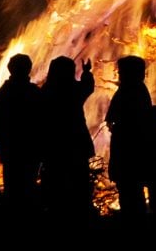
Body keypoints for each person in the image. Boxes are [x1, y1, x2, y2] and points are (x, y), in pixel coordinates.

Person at [39, 56, 95, 221]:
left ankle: (55, 212)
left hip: (53, 145)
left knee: (54, 179)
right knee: (79, 179)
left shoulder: (45, 92)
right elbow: (87, 87)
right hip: (76, 143)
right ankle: (80, 213)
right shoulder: (73, 90)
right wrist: (86, 72)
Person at [0, 53, 43, 215]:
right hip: (29, 150)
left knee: (13, 190)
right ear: (28, 69)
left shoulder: (2, 93)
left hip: (11, 150)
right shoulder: (33, 92)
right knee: (28, 188)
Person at [104, 55, 152, 222]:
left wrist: (114, 123)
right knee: (131, 186)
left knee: (130, 185)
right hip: (129, 144)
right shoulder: (135, 89)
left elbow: (115, 115)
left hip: (128, 146)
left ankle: (133, 220)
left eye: (122, 71)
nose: (119, 74)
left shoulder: (131, 91)